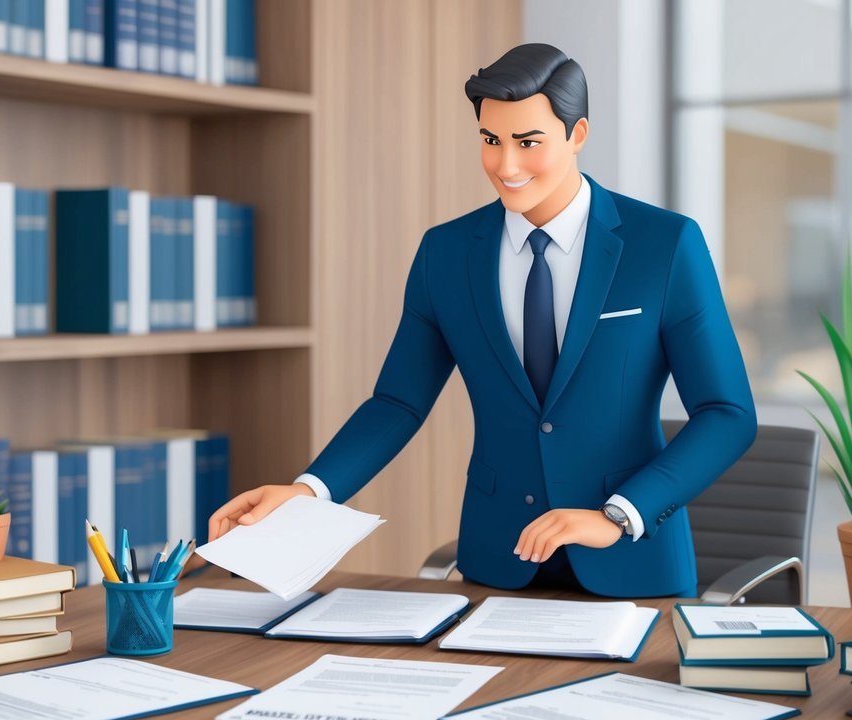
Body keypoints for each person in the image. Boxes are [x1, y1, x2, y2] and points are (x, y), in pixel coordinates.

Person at [207, 43, 756, 598]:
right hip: (500, 563)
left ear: (578, 134)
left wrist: (619, 514)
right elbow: (398, 402)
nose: (506, 166)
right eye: (491, 142)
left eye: (528, 143)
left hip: (635, 566)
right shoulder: (445, 254)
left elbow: (727, 413)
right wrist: (311, 490)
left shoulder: (663, 245)